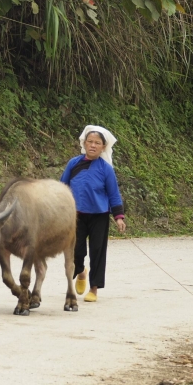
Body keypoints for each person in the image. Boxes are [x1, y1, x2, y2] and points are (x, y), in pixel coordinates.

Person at [60, 125, 126, 302]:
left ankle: (94, 289)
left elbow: (113, 194)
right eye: (90, 142)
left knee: (97, 251)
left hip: (99, 215)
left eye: (97, 143)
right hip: (76, 216)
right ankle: (81, 272)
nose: (93, 145)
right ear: (84, 143)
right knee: (76, 251)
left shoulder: (106, 169)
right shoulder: (74, 163)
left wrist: (119, 217)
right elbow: (62, 187)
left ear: (103, 147)